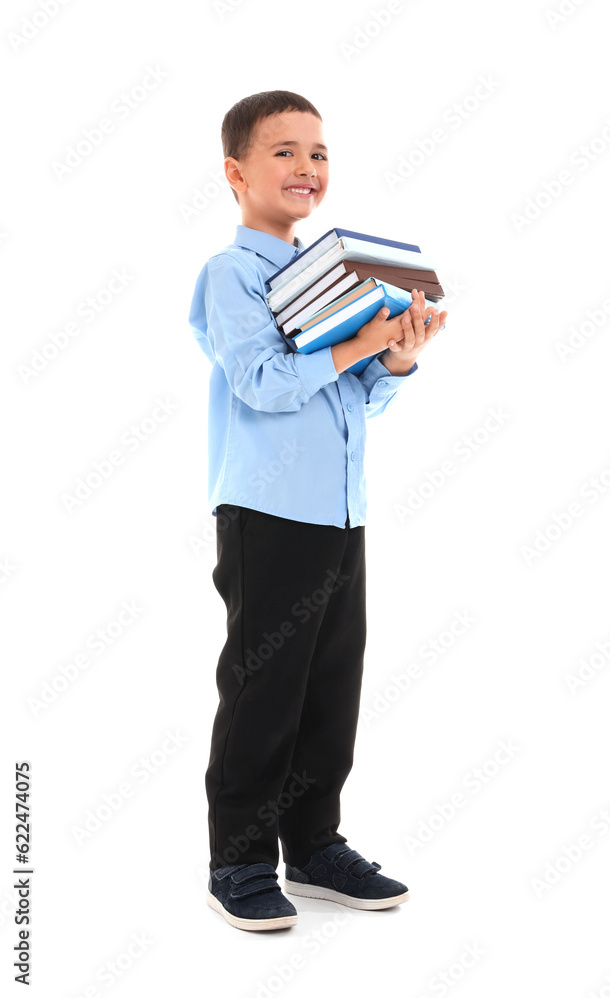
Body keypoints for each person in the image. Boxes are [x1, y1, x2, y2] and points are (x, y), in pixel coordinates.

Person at [188, 90, 448, 932]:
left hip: (339, 513)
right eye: (285, 153)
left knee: (331, 686)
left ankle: (315, 845)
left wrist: (395, 359)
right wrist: (357, 344)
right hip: (268, 515)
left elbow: (354, 399)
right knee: (264, 688)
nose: (307, 168)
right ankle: (238, 860)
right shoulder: (232, 274)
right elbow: (263, 385)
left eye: (320, 153)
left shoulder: (329, 276)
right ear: (236, 173)